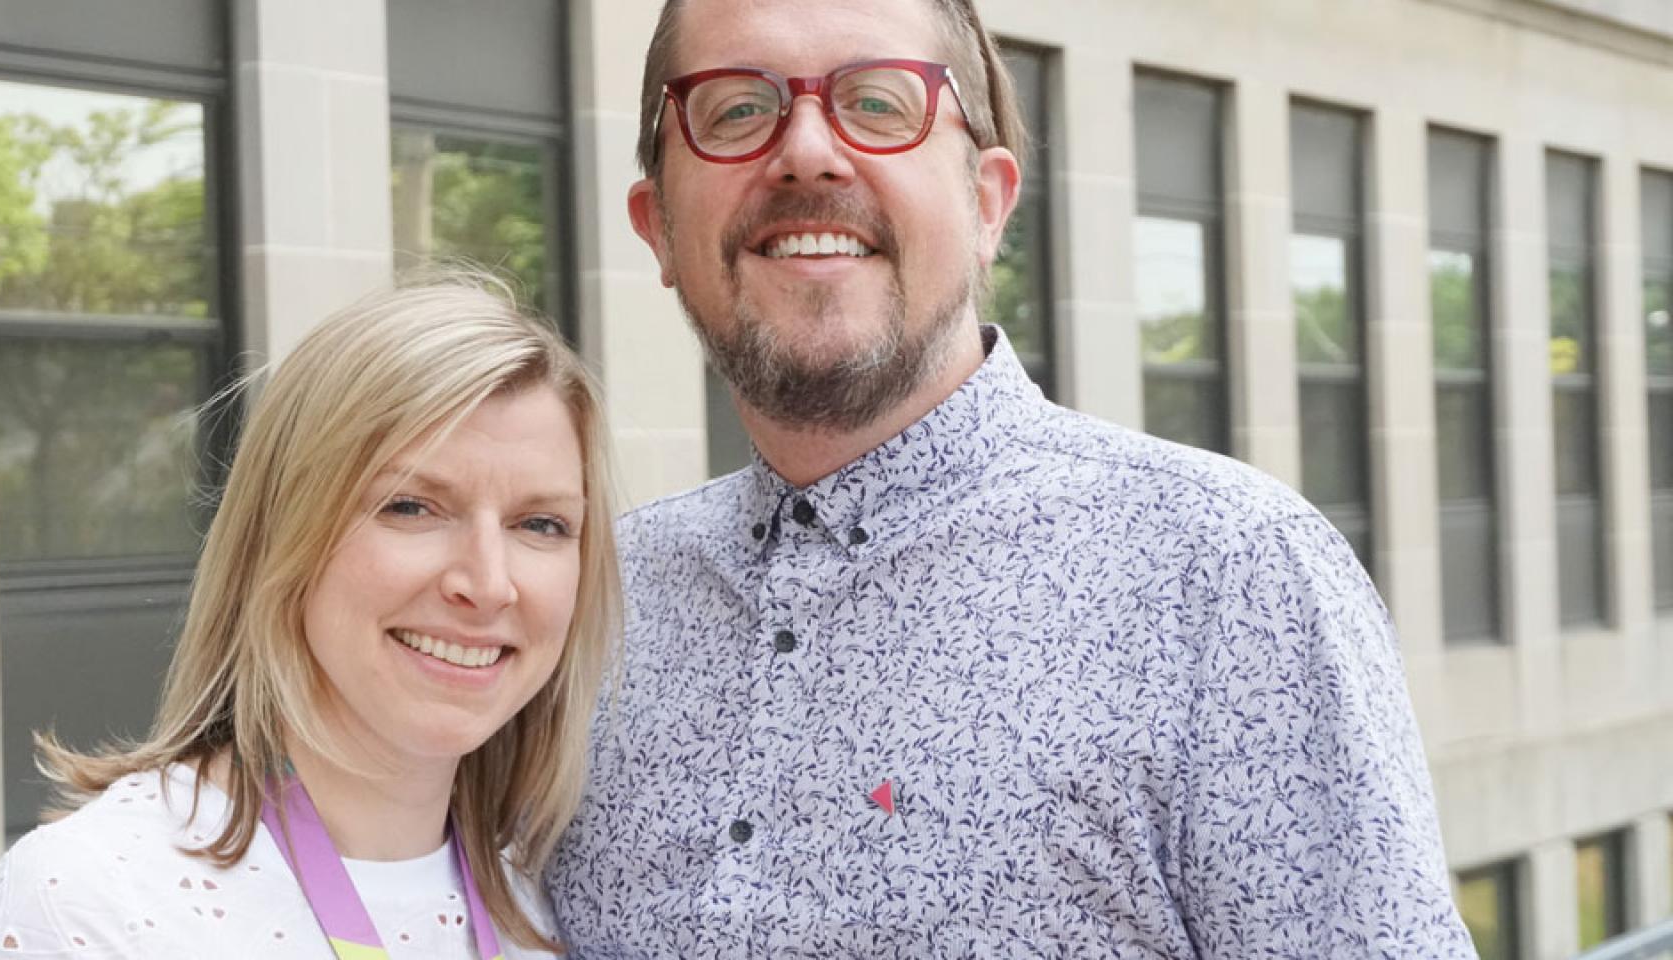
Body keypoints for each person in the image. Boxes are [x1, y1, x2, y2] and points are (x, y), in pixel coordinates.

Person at [544, 0, 1474, 956]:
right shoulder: (592, 600)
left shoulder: (1227, 573)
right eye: (736, 110)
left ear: (988, 203)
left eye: (877, 102)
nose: (808, 151)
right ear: (656, 226)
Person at [0, 274, 619, 959]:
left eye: (540, 523)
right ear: (282, 530)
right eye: (411, 506)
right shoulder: (92, 906)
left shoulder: (560, 906)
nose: (487, 583)